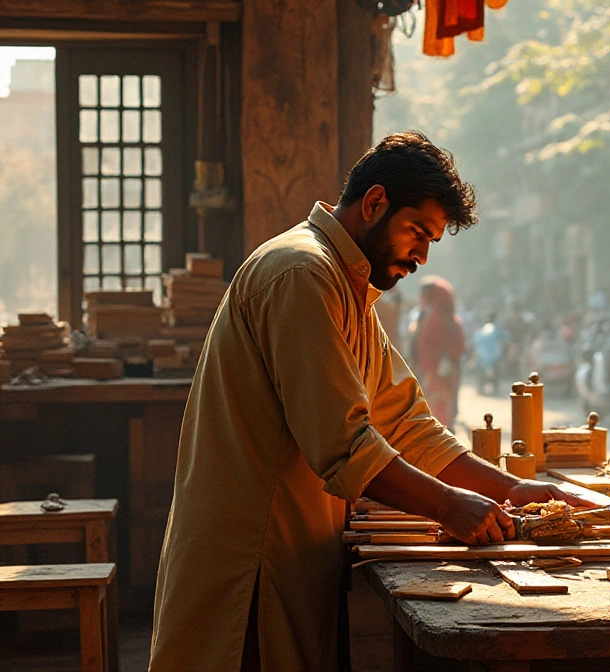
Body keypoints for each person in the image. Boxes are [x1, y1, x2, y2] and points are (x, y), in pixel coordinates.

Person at [149, 132, 583, 672]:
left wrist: (512, 487)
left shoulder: (344, 286)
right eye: (417, 232)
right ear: (374, 203)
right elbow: (346, 446)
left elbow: (406, 424)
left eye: (431, 242)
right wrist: (448, 506)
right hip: (250, 560)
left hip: (291, 551)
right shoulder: (301, 274)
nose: (421, 256)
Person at [413, 276, 464, 429]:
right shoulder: (448, 318)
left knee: (439, 406)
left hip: (436, 370)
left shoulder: (435, 318)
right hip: (443, 369)